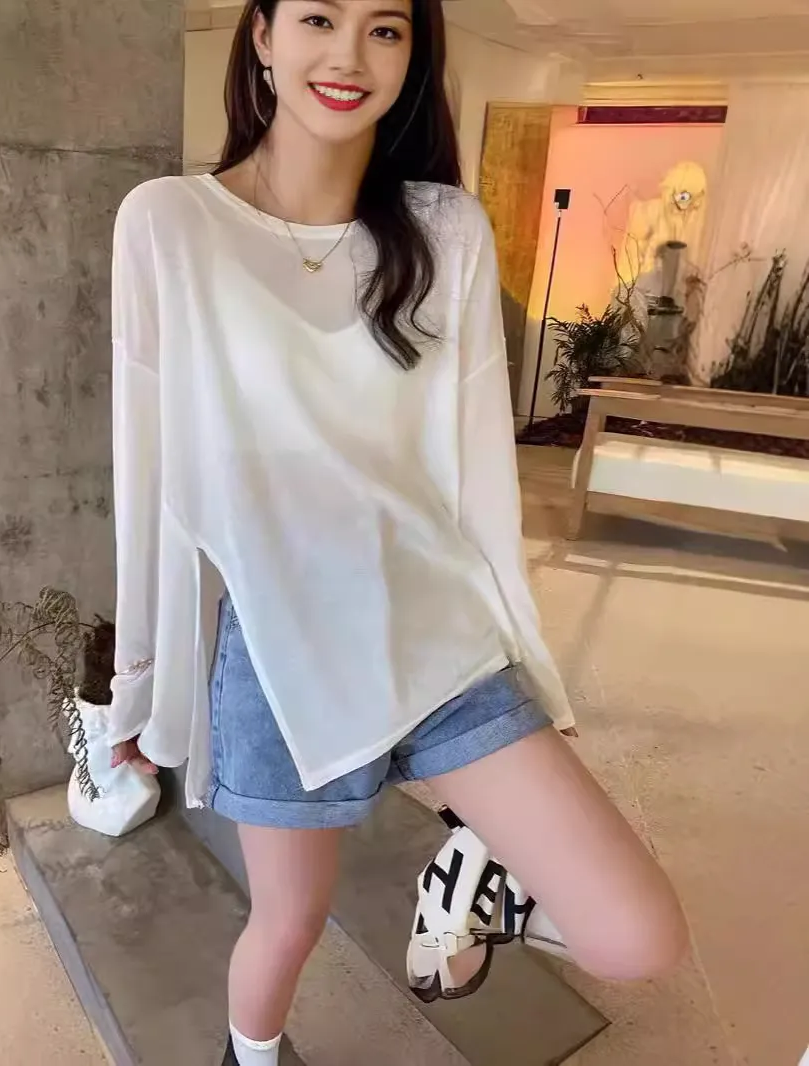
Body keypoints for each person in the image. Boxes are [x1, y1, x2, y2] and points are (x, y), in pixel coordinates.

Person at [107, 2, 689, 1063]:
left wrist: (532, 672)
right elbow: (152, 471)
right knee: (286, 923)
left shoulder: (445, 229)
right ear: (262, 37)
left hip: (435, 626)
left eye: (385, 29)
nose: (349, 54)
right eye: (318, 18)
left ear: (413, 55)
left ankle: (463, 877)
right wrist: (140, 684)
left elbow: (476, 472)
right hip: (279, 648)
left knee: (635, 935)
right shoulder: (171, 223)